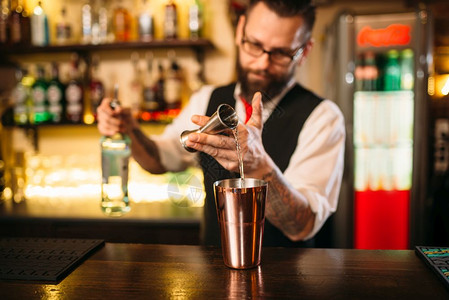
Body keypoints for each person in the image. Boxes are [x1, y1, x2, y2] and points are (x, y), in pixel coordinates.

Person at [97, 0, 345, 247]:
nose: (262, 63)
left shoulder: (323, 118)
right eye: (254, 45)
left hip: (288, 280)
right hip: (214, 274)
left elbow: (301, 226)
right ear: (240, 32)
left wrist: (259, 167)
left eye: (280, 53)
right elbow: (158, 160)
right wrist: (129, 129)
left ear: (304, 51)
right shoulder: (207, 100)